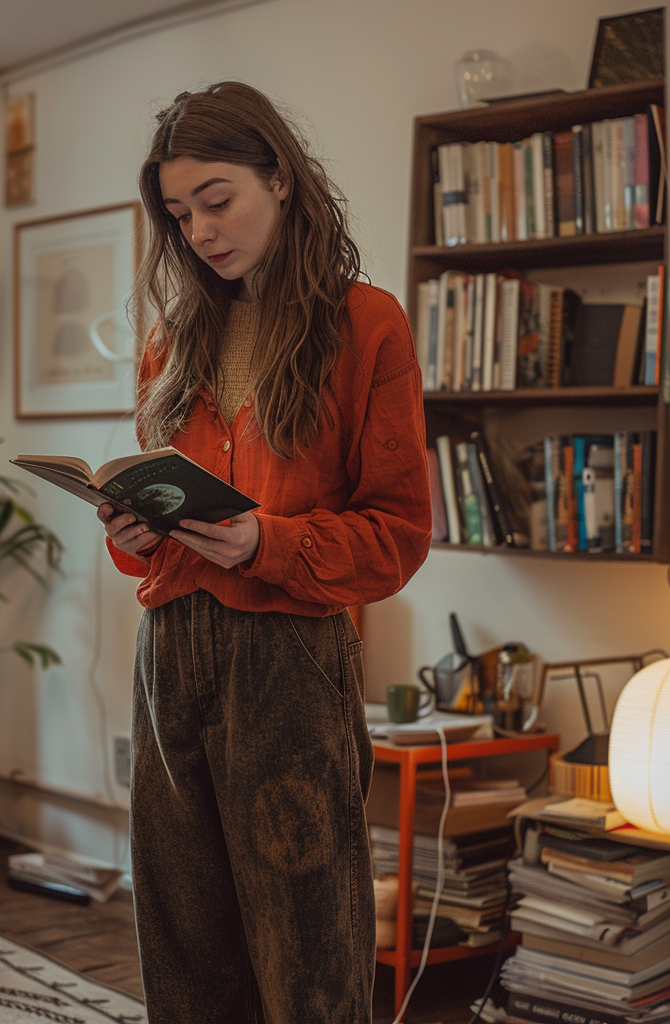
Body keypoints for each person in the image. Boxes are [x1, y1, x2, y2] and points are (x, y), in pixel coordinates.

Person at [97, 81, 432, 1024]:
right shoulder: (172, 342)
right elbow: (156, 535)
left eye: (218, 199)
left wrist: (264, 542)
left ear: (279, 178)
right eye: (178, 213)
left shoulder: (367, 325)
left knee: (306, 952)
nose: (199, 230)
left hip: (287, 659)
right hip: (167, 657)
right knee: (183, 945)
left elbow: (400, 534)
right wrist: (133, 535)